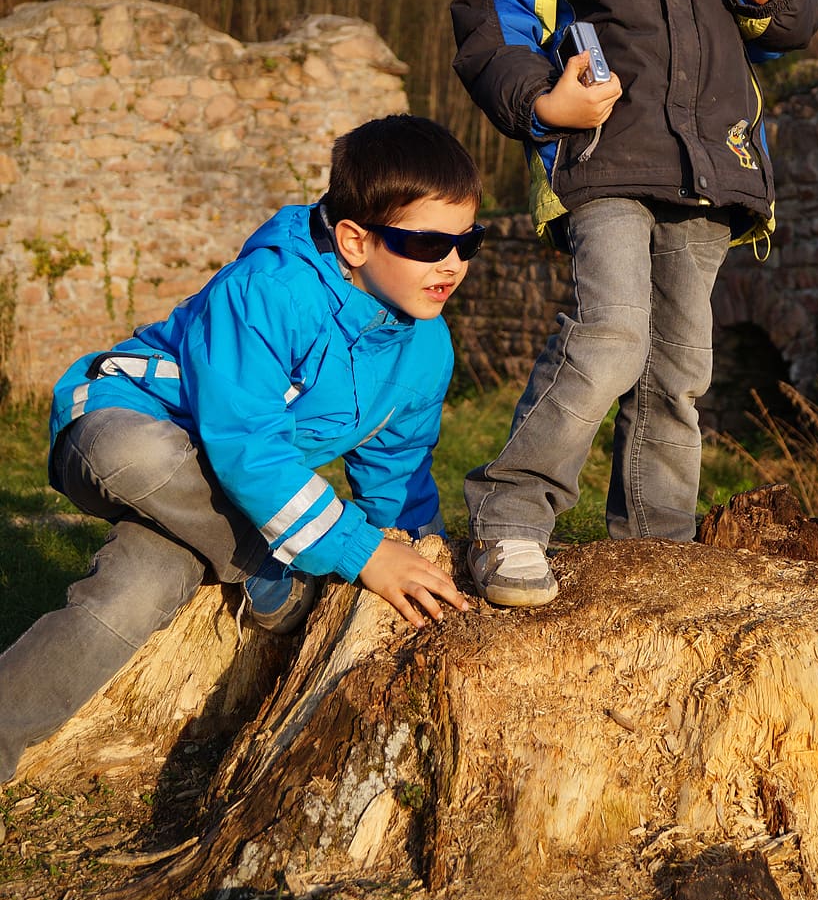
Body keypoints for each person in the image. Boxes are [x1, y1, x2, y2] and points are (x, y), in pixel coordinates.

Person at [451, 0, 818, 607]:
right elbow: (485, 34)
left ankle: (652, 556)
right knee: (611, 336)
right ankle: (507, 520)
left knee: (678, 373)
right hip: (603, 165)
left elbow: (796, 21)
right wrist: (546, 104)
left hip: (712, 172)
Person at [0, 114, 483, 782]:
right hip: (125, 424)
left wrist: (425, 558)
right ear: (354, 239)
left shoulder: (426, 349)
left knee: (134, 591)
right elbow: (246, 445)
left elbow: (397, 473)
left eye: (468, 241)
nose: (452, 263)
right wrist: (359, 551)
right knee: (133, 455)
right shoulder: (267, 291)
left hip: (225, 496)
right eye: (427, 243)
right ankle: (270, 565)